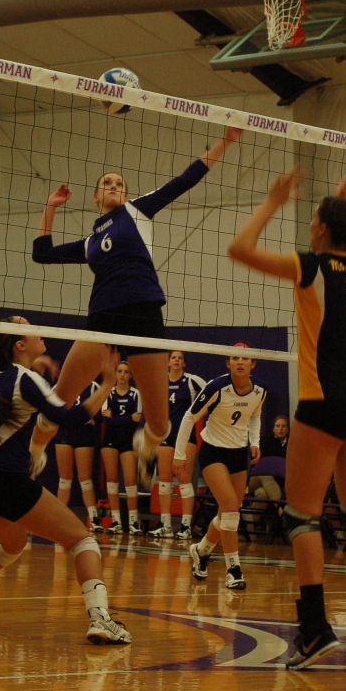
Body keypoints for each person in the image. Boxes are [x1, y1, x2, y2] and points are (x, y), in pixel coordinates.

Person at [228, 157, 346, 669]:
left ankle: (317, 630)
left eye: (317, 218)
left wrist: (274, 201)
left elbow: (240, 249)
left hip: (324, 402)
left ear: (322, 229)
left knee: (301, 515)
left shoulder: (310, 266)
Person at [31, 127, 242, 479]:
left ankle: (147, 445)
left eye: (119, 184)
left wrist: (226, 141)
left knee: (159, 425)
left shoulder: (137, 211)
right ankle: (35, 452)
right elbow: (42, 254)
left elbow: (186, 179)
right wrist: (50, 207)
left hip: (145, 315)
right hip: (103, 321)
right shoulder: (89, 243)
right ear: (97, 196)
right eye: (107, 183)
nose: (114, 186)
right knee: (57, 401)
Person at [0, 317, 131, 645]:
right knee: (83, 541)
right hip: (6, 481)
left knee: (12, 544)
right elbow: (68, 418)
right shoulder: (27, 379)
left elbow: (16, 378)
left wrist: (35, 364)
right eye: (28, 327)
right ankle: (100, 620)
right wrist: (106, 383)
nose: (37, 328)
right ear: (20, 345)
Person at [173, 347, 265, 590]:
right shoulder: (216, 387)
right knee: (231, 509)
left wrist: (254, 442)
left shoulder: (260, 391)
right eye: (235, 358)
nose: (240, 362)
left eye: (245, 358)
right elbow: (188, 417)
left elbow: (255, 415)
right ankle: (233, 569)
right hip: (213, 452)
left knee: (227, 513)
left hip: (239, 454)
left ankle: (201, 551)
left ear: (253, 363)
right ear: (228, 363)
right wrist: (179, 454)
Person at [148, 350, 205, 540]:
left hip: (186, 435)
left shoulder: (192, 380)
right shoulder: (159, 380)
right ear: (168, 362)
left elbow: (211, 395)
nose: (177, 360)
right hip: (166, 434)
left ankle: (186, 526)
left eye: (180, 358)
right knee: (164, 479)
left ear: (184, 363)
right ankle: (165, 525)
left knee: (184, 479)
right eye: (173, 357)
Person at [56, 380, 103, 534]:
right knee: (64, 479)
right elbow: (49, 406)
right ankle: (59, 519)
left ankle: (94, 520)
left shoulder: (93, 387)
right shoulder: (63, 383)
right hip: (64, 434)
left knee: (85, 479)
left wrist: (93, 420)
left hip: (84, 436)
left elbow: (103, 412)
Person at [101, 362, 142, 536]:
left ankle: (133, 522)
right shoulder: (108, 393)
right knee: (111, 479)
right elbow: (106, 421)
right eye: (119, 371)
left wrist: (117, 419)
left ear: (130, 375)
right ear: (115, 374)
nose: (122, 375)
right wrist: (128, 418)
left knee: (131, 481)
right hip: (110, 439)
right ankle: (116, 521)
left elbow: (138, 418)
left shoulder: (136, 394)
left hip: (128, 439)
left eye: (126, 372)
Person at [247, 415, 289, 502]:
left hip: (278, 482)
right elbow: (255, 463)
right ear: (273, 429)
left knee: (262, 494)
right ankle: (281, 509)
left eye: (283, 426)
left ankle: (245, 516)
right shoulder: (264, 443)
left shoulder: (292, 445)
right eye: (278, 426)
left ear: (288, 429)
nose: (281, 429)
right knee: (266, 475)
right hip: (257, 478)